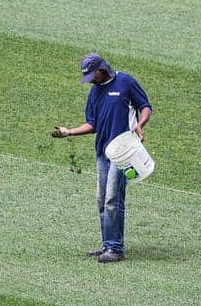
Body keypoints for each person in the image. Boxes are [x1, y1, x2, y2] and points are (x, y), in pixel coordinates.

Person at [52, 53, 152, 263]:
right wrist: (68, 132)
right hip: (102, 152)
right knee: (101, 200)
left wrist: (140, 125)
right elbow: (92, 125)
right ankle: (108, 244)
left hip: (123, 153)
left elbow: (145, 106)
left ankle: (116, 248)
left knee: (113, 199)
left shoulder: (125, 82)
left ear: (100, 69)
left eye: (91, 75)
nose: (90, 80)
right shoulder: (94, 93)